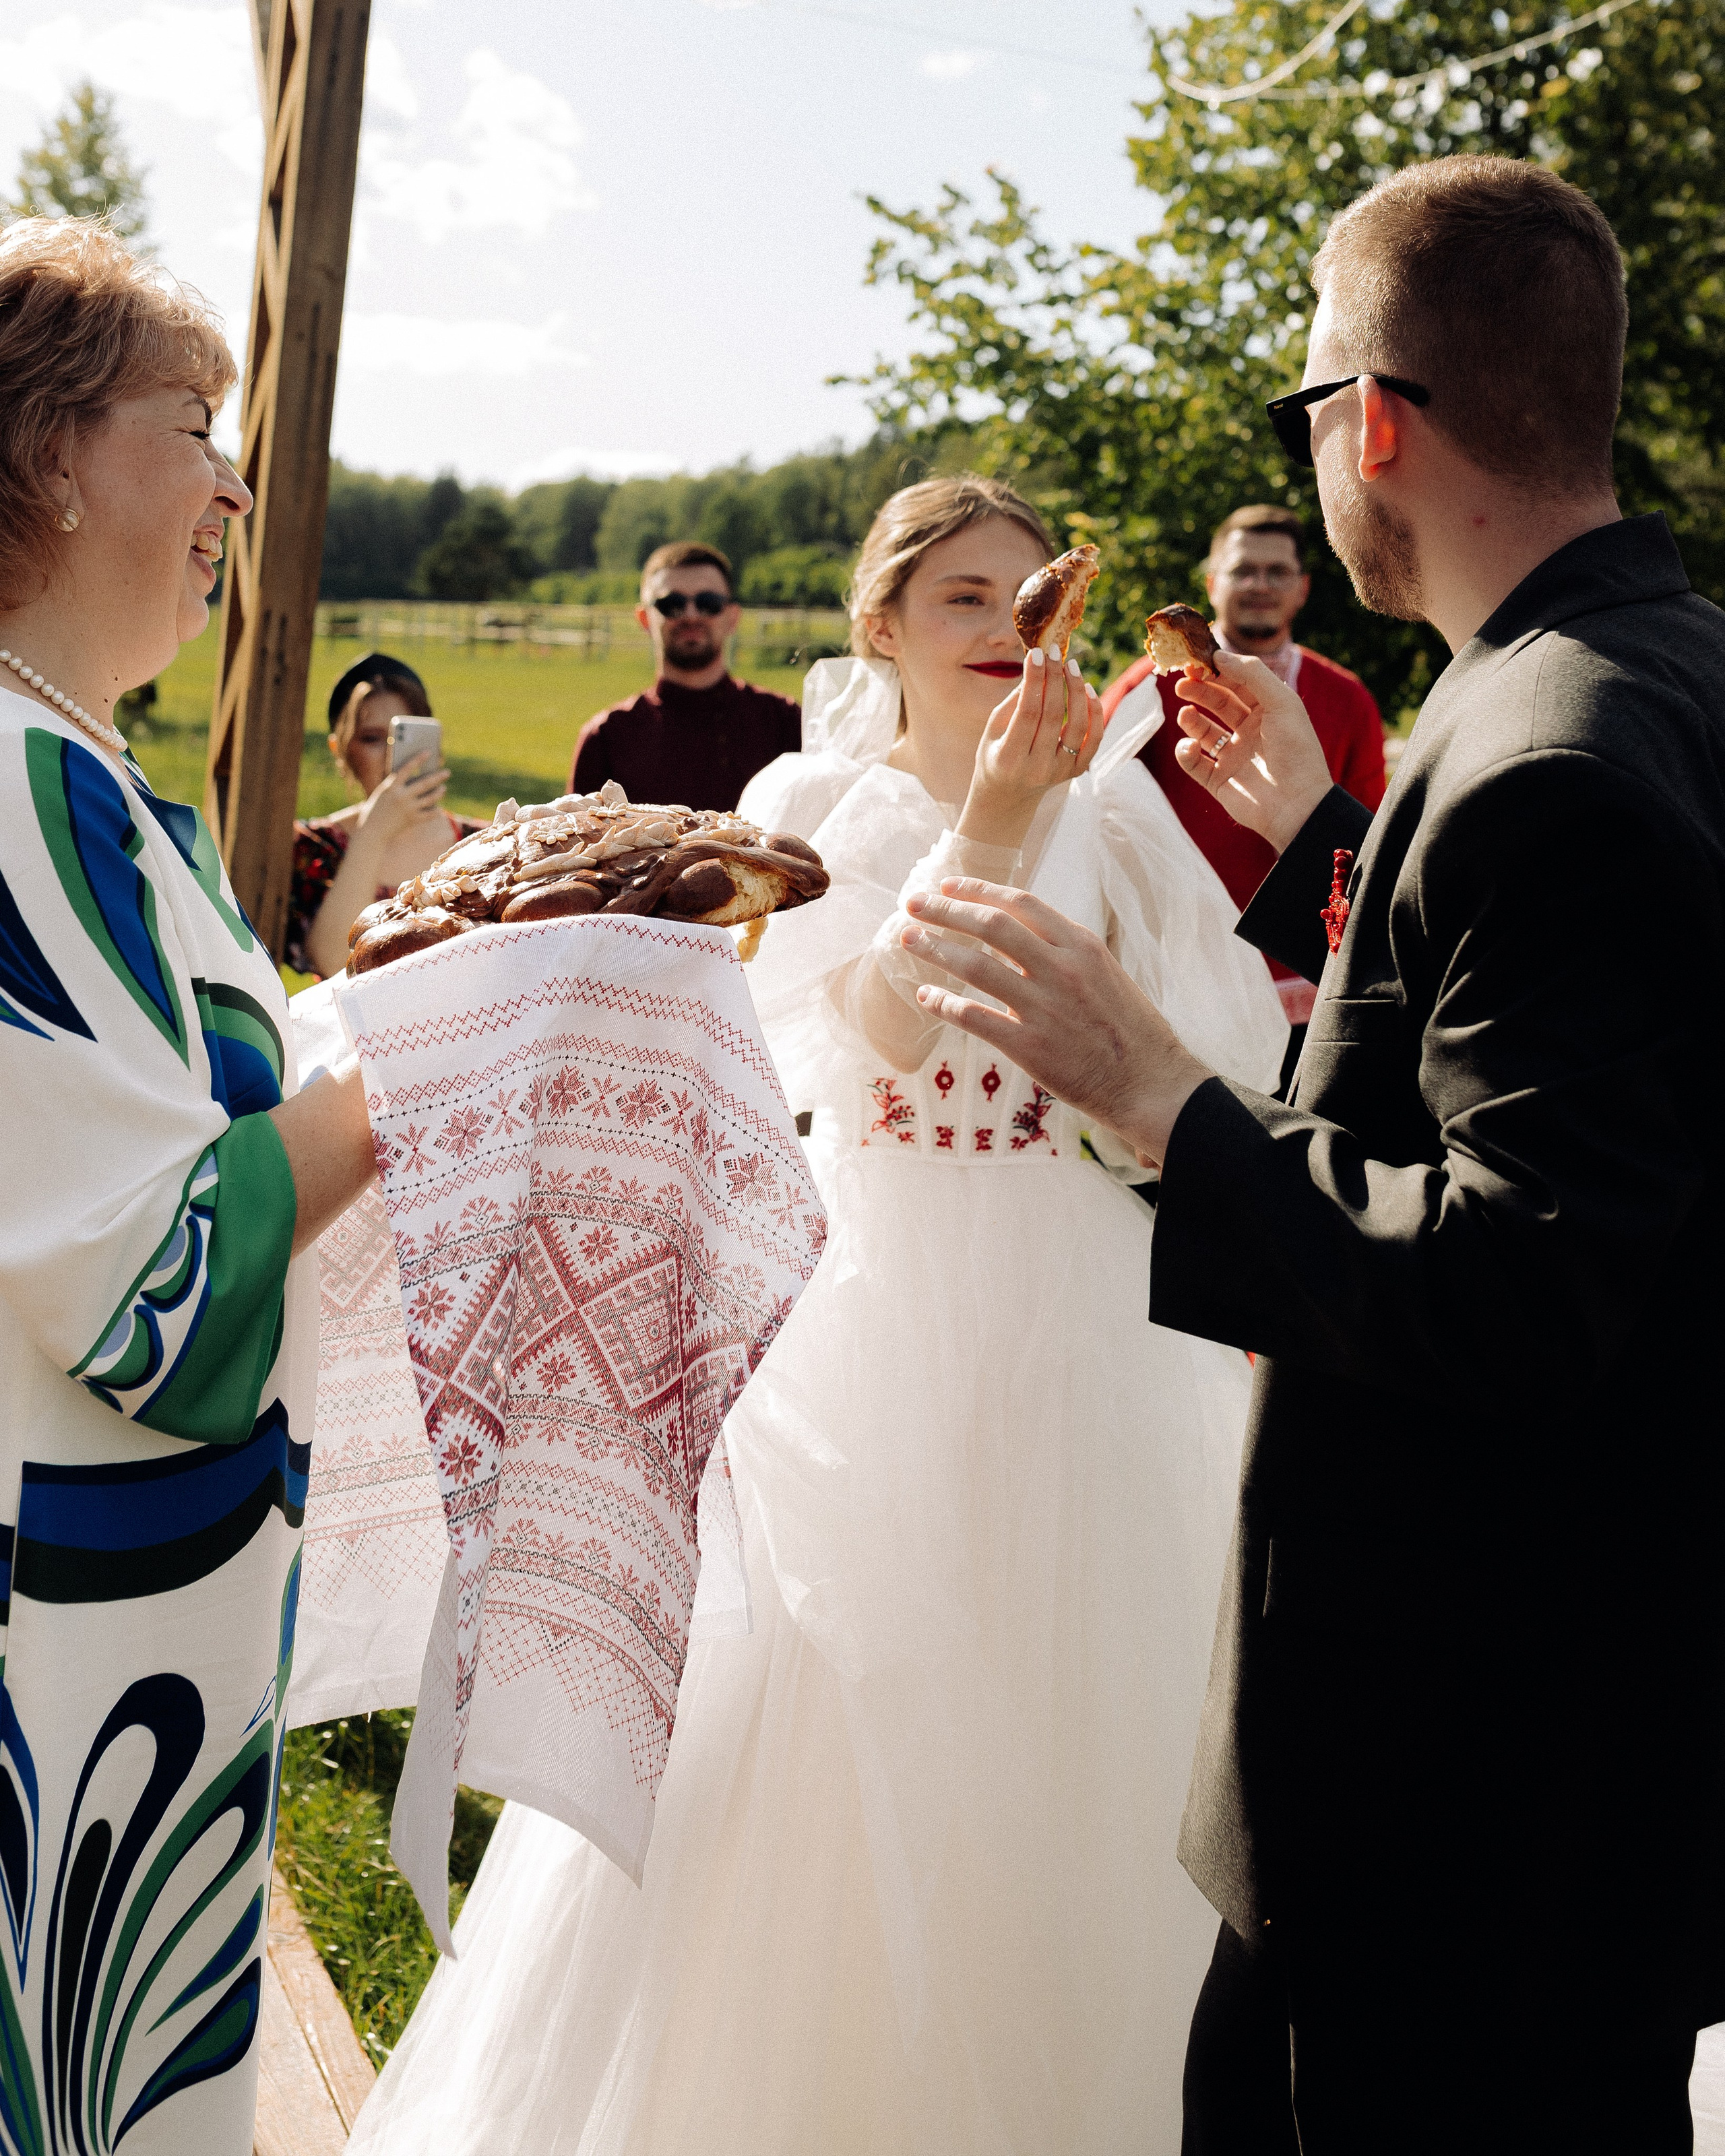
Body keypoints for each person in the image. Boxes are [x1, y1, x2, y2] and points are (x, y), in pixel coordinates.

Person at [897, 158, 1725, 2154]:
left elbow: (1521, 1276)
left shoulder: (1541, 753)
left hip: (1455, 1773)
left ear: (1369, 419)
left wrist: (1161, 1094)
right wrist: (1332, 864)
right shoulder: (1641, 669)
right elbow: (1570, 1069)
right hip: (1576, 1739)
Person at [347, 476, 1288, 2155]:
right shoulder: (821, 805)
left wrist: (1247, 837)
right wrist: (989, 827)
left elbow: (1223, 1052)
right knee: (825, 1723)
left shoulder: (1119, 814)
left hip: (1082, 1304)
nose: (1008, 635)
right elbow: (864, 1040)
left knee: (1108, 1729)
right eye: (962, 603)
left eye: (1028, 600)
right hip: (876, 1299)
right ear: (880, 629)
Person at [0, 218, 376, 2152]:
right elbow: (154, 1274)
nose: (234, 479)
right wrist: (452, 1045)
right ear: (47, 451)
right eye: (193, 420)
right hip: (71, 1651)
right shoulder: (21, 782)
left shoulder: (89, 775)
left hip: (131, 1628)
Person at [1102, 506, 1385, 1071]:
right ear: (1212, 584)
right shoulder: (1147, 689)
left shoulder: (1346, 697)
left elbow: (1373, 842)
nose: (1260, 585)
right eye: (1242, 570)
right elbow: (1095, 812)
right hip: (1188, 977)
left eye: (1277, 571)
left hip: (1310, 983)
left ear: (1302, 589)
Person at [285, 652, 483, 980]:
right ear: (341, 750)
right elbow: (334, 962)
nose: (392, 756)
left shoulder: (477, 842)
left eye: (406, 737)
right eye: (373, 739)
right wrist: (373, 832)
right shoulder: (313, 846)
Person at [568, 541, 800, 809]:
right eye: (672, 604)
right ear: (644, 618)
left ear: (732, 617)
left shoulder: (786, 724)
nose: (691, 615)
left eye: (709, 603)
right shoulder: (605, 739)